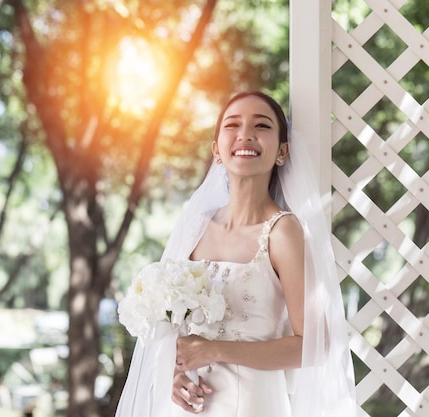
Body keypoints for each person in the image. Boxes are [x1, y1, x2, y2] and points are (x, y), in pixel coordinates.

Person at [115, 91, 357, 417]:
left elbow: (314, 345)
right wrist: (174, 375)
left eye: (261, 125)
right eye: (233, 124)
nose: (245, 134)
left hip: (255, 405)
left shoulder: (283, 233)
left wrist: (214, 350)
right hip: (190, 407)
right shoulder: (195, 227)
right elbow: (177, 331)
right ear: (217, 149)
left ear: (282, 151)